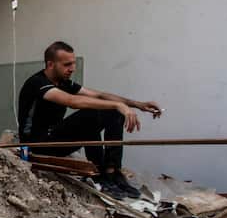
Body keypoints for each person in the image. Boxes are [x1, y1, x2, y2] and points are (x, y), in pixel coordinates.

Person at [17, 41, 162, 198]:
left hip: (55, 141)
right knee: (94, 112)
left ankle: (112, 172)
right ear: (50, 64)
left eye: (73, 63)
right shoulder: (37, 83)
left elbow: (99, 95)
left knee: (111, 111)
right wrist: (118, 105)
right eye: (67, 64)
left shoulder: (63, 82)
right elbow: (72, 101)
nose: (72, 68)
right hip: (36, 146)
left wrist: (138, 105)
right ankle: (98, 174)